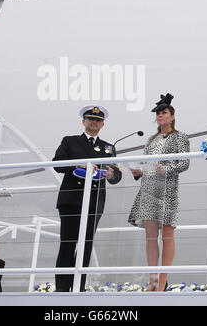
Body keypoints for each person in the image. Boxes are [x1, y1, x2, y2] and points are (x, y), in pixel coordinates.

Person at [52, 105, 122, 292]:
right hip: (71, 199)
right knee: (68, 243)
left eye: (98, 120)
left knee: (86, 244)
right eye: (91, 119)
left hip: (93, 201)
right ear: (84, 121)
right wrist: (78, 164)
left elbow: (116, 176)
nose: (94, 122)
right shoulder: (70, 141)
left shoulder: (108, 148)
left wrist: (110, 175)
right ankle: (61, 288)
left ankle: (78, 287)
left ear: (103, 124)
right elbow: (57, 164)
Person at [128, 93, 190, 292]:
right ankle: (153, 280)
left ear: (172, 116)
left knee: (168, 235)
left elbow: (184, 162)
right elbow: (146, 164)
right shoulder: (151, 140)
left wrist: (167, 169)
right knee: (150, 236)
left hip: (167, 189)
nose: (160, 116)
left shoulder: (180, 137)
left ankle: (162, 282)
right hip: (148, 189)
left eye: (164, 113)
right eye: (158, 114)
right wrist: (137, 172)